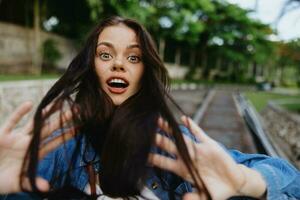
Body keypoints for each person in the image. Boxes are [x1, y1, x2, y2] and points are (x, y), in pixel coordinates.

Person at [0, 16, 299, 200]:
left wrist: (246, 182)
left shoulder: (170, 140)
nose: (119, 63)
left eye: (134, 58)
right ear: (91, 66)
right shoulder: (66, 143)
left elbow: (291, 182)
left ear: (146, 72)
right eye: (106, 55)